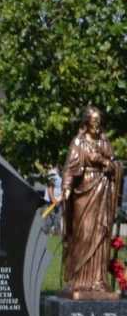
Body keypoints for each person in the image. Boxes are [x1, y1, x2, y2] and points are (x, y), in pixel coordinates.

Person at [61, 105, 122, 299]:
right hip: (83, 192)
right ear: (86, 122)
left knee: (100, 233)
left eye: (98, 121)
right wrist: (67, 188)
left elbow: (115, 164)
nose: (96, 125)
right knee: (84, 234)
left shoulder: (104, 141)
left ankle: (97, 281)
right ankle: (78, 279)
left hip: (102, 191)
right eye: (93, 121)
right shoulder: (79, 142)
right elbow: (69, 168)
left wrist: (110, 165)